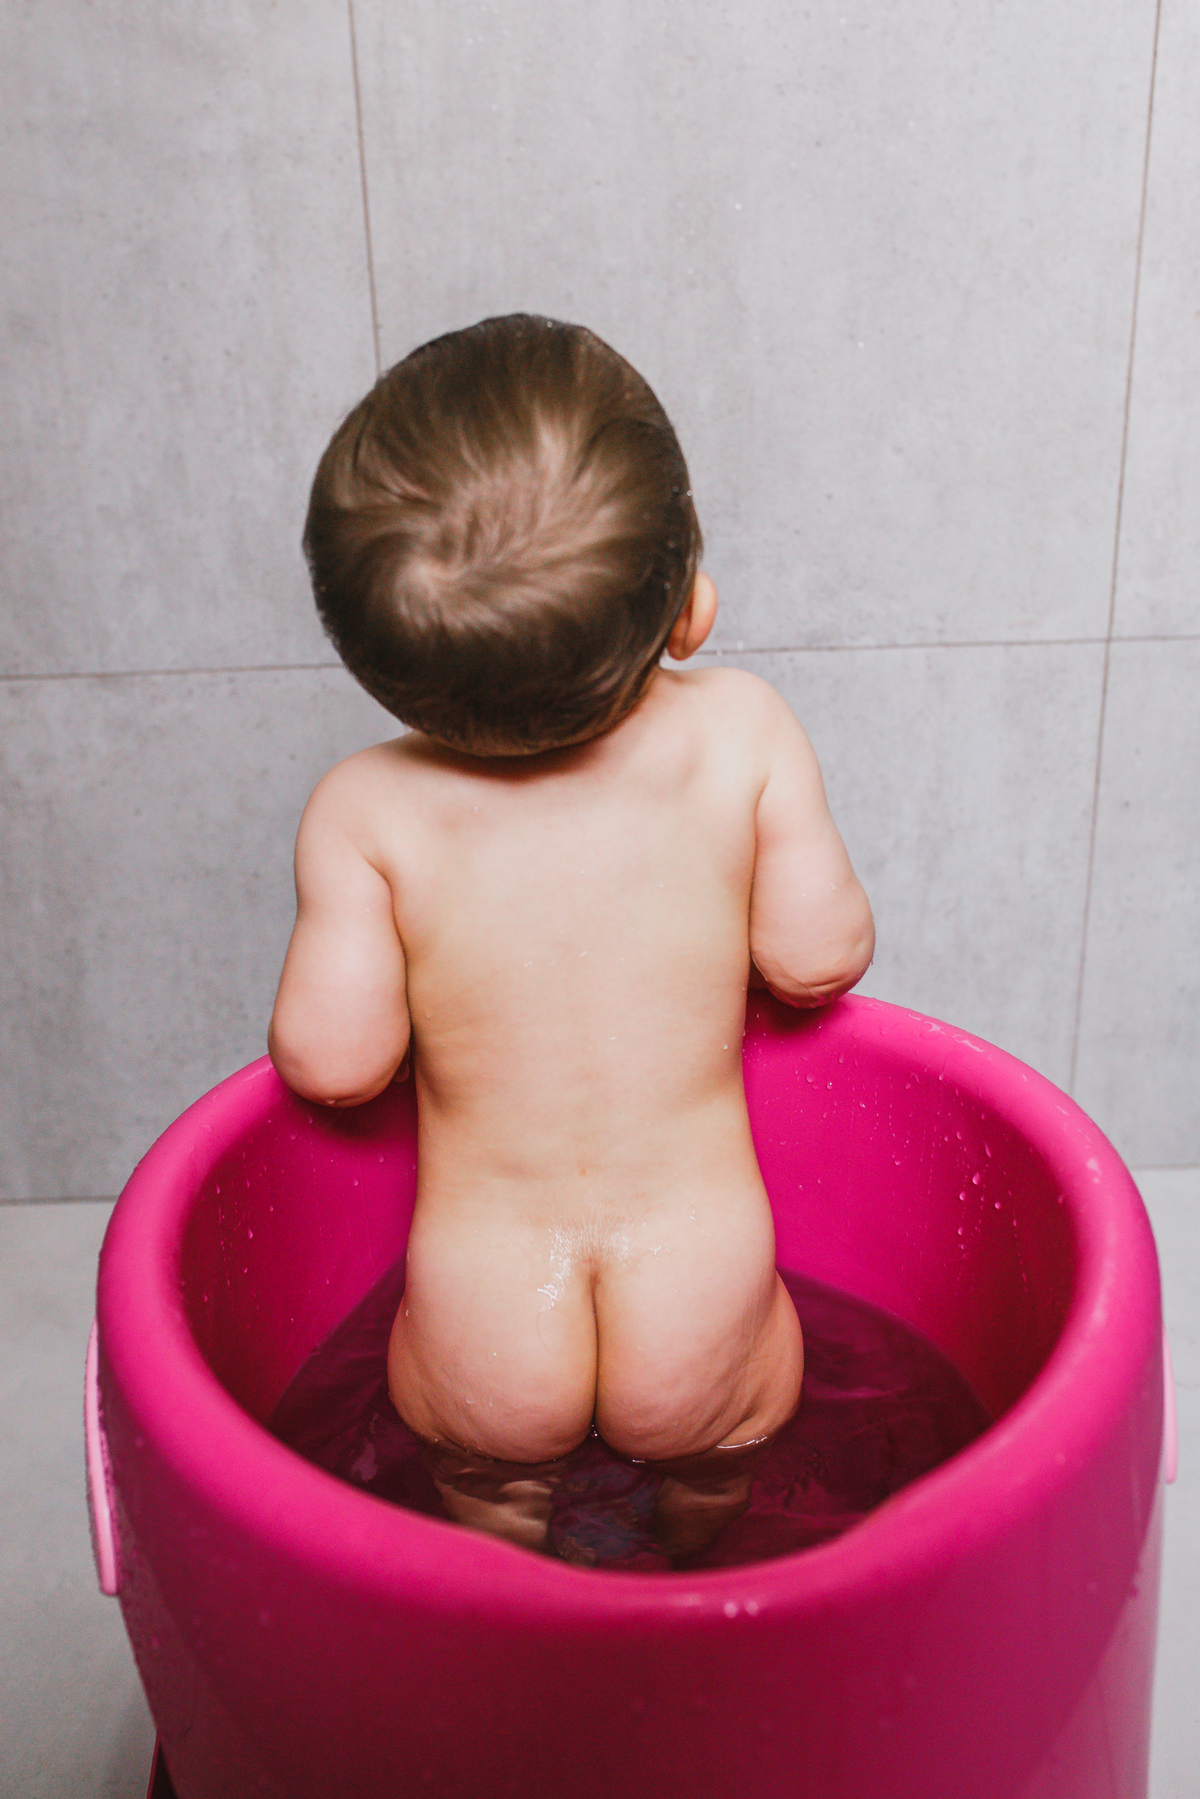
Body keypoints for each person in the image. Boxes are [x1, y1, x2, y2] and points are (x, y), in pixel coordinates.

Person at [269, 314, 874, 1560]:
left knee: (492, 1519)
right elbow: (817, 955)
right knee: (719, 1476)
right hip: (699, 1289)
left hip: (488, 1313)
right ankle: (697, 1585)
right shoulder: (742, 733)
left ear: (378, 672)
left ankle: (518, 1605)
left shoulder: (367, 808)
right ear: (690, 606)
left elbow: (335, 1061)